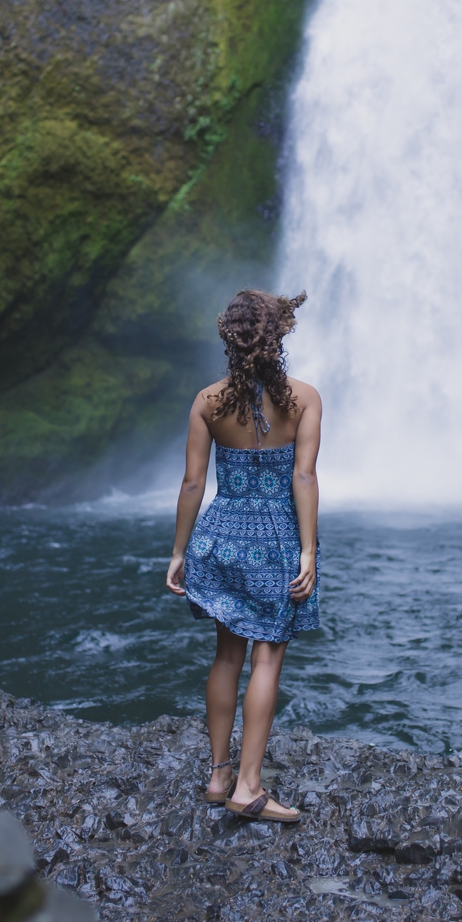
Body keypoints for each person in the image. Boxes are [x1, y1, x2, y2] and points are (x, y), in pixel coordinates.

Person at [166, 289, 321, 823]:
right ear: (276, 338)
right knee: (267, 658)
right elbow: (303, 476)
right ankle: (248, 786)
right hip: (276, 537)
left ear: (230, 340)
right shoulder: (303, 398)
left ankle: (217, 774)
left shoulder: (208, 401)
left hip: (220, 536)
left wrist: (180, 551)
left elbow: (192, 484)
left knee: (226, 654)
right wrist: (306, 549)